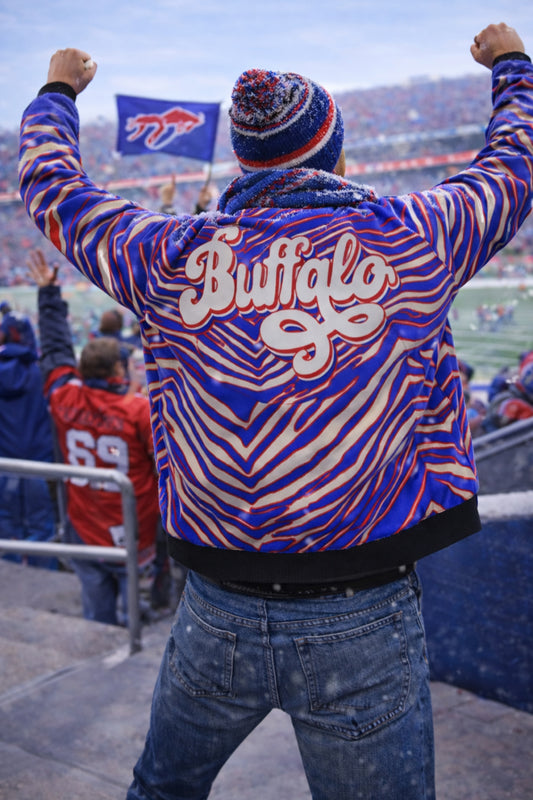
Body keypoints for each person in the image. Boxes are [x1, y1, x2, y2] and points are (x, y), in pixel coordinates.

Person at [18, 22, 533, 800]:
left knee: (160, 790)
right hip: (362, 605)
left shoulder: (168, 254)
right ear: (333, 155)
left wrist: (56, 93)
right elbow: (514, 163)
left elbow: (52, 190)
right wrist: (511, 67)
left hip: (215, 604)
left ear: (245, 163)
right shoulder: (412, 237)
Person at [27, 249, 162, 625]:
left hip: (84, 522)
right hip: (132, 527)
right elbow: (165, 465)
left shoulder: (64, 395)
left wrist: (48, 297)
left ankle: (99, 642)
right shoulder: (137, 410)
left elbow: (54, 353)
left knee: (96, 608)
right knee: (134, 600)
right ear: (119, 369)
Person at [0, 306, 58, 569]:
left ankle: (10, 573)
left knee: (5, 523)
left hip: (5, 460)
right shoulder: (41, 371)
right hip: (37, 458)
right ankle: (43, 576)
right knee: (41, 524)